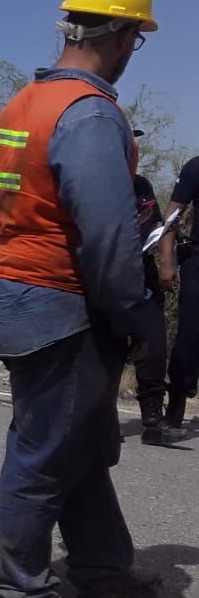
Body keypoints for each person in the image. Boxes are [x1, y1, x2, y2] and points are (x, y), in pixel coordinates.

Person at [0, 0, 162, 598]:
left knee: (77, 439)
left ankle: (104, 572)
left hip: (10, 288)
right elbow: (108, 236)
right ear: (123, 36)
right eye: (137, 39)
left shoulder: (23, 104)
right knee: (46, 450)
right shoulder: (89, 113)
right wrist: (133, 315)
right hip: (57, 299)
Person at [131, 167, 179, 444]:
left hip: (142, 270)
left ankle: (153, 421)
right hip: (103, 271)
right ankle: (97, 418)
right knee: (102, 347)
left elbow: (158, 225)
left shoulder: (141, 185)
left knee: (154, 343)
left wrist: (166, 260)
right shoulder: (92, 180)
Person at [156, 156, 199, 428]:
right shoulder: (196, 167)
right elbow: (172, 215)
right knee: (189, 339)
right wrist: (167, 261)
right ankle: (175, 406)